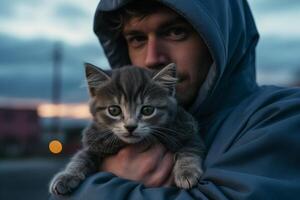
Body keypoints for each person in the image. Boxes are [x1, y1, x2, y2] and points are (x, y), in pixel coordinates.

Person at [51, 0, 300, 199]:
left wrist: (101, 185)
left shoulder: (283, 115)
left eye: (176, 32)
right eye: (137, 38)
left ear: (223, 36)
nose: (152, 59)